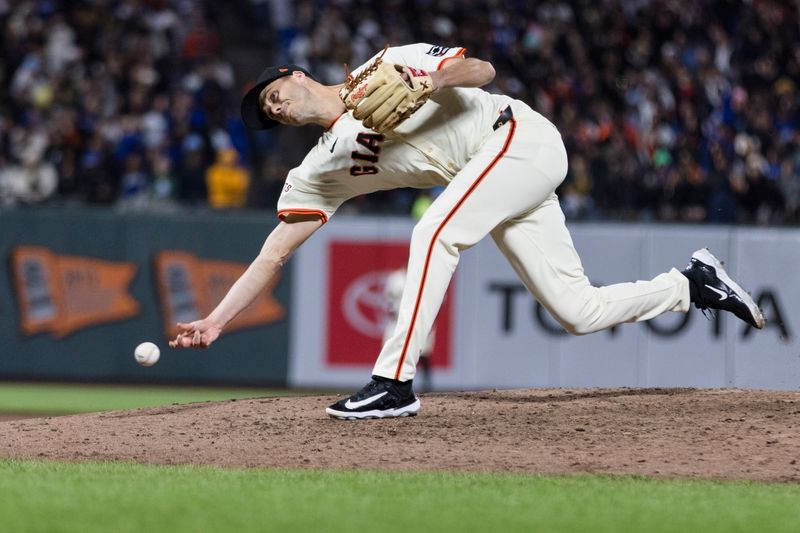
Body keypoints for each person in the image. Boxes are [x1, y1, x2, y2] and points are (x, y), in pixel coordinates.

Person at [169, 43, 765, 420]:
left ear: (296, 75)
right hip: (496, 182)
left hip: (517, 138)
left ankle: (393, 383)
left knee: (432, 235)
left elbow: (482, 67)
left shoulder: (385, 64)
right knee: (576, 310)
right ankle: (692, 285)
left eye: (274, 94)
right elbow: (273, 255)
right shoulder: (317, 171)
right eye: (268, 113)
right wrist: (216, 320)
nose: (274, 107)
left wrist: (432, 80)